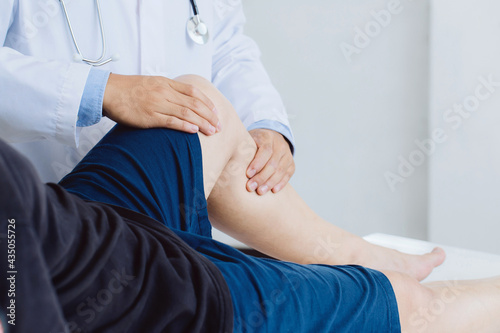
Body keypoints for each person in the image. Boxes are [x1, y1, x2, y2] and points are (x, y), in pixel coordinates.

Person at [2, 75, 500, 333]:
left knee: (199, 106)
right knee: (412, 306)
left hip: (72, 220)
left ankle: (351, 253)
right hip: (152, 299)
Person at [0, 0, 294, 196]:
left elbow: (227, 46)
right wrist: (100, 91)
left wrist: (265, 123)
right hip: (33, 210)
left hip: (169, 219)